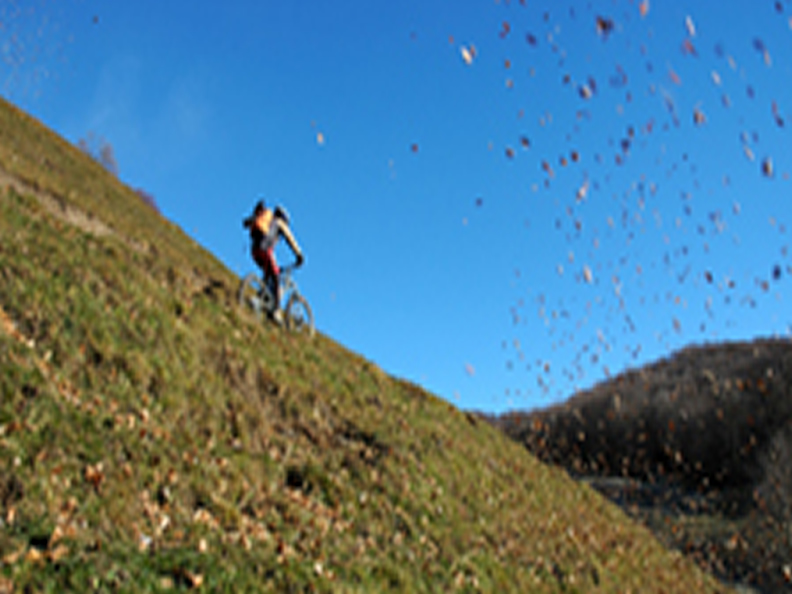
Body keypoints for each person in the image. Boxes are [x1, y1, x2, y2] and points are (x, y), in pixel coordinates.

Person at [243, 199, 304, 323]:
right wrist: (299, 255)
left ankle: (262, 299)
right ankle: (275, 312)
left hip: (254, 250)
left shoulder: (265, 220)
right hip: (265, 250)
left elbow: (247, 222)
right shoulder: (279, 223)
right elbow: (290, 239)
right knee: (276, 278)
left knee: (269, 276)